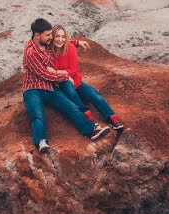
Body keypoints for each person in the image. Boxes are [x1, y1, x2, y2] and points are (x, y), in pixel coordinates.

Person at [22, 18, 110, 153]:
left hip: (50, 87)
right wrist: (65, 76)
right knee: (37, 114)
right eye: (48, 35)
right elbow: (44, 74)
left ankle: (91, 131)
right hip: (32, 89)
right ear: (37, 35)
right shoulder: (30, 53)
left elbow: (61, 41)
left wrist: (77, 42)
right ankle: (41, 141)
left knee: (70, 107)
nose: (51, 37)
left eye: (51, 34)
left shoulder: (45, 42)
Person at [48, 25, 124, 131]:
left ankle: (112, 119)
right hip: (61, 84)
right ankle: (88, 117)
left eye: (63, 37)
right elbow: (48, 72)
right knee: (69, 89)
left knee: (94, 94)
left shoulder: (70, 48)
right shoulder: (47, 52)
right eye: (57, 36)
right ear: (52, 37)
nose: (60, 39)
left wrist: (58, 72)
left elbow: (73, 70)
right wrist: (64, 76)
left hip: (76, 81)